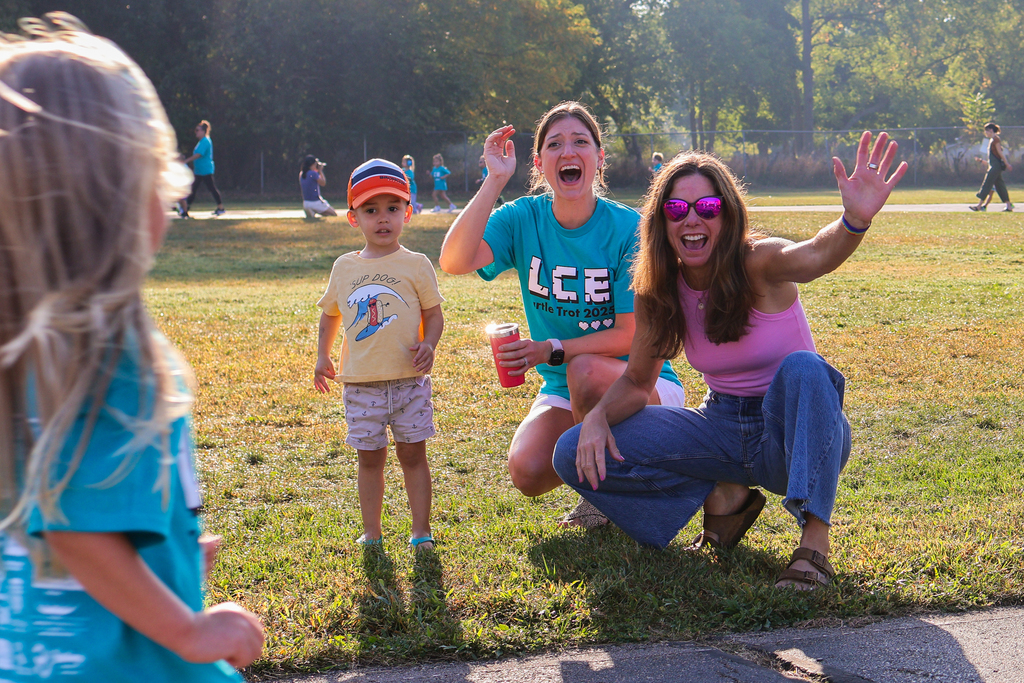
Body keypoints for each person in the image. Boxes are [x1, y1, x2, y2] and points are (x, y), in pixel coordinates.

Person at [0, 13, 264, 680]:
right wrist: (190, 626)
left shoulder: (24, 351)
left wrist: (165, 548)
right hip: (137, 662)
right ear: (123, 195)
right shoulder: (106, 352)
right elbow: (75, 529)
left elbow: (67, 508)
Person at [553, 132, 908, 590]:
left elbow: (817, 254)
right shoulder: (658, 288)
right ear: (661, 222)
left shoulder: (759, 262)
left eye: (708, 208)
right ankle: (724, 492)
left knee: (805, 367)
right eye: (677, 210)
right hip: (719, 426)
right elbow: (639, 382)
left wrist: (853, 221)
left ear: (728, 213)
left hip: (794, 433)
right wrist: (598, 416)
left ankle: (814, 546)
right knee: (571, 450)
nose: (692, 219)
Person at [438, 101, 685, 527]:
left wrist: (552, 347)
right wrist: (495, 180)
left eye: (580, 142)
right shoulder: (522, 218)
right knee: (528, 469)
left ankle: (609, 494)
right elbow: (454, 260)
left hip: (643, 384)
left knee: (586, 371)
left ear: (599, 158)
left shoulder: (630, 229)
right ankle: (631, 475)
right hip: (566, 385)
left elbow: (633, 335)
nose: (568, 152)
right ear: (538, 163)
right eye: (554, 145)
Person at [314, 159, 445, 552]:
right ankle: (373, 532)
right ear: (354, 218)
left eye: (392, 209)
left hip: (409, 382)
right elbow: (329, 315)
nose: (382, 219)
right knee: (370, 461)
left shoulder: (417, 264)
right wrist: (322, 356)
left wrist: (430, 345)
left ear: (407, 212)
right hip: (361, 385)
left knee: (413, 456)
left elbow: (434, 315)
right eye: (371, 210)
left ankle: (420, 531)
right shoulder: (345, 267)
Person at [178, 119, 225, 218]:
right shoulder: (201, 142)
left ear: (203, 131)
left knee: (211, 188)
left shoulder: (205, 141)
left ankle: (220, 208)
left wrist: (186, 161)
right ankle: (185, 209)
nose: (196, 132)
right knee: (193, 189)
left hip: (205, 170)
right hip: (199, 170)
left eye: (197, 130)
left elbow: (199, 154)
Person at [969, 122, 1013, 212]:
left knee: (987, 184)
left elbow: (1000, 153)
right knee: (1000, 186)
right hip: (993, 166)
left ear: (991, 130)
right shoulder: (992, 140)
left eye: (987, 131)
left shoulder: (996, 139)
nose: (986, 133)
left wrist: (1007, 163)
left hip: (995, 167)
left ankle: (979, 206)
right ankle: (1009, 206)